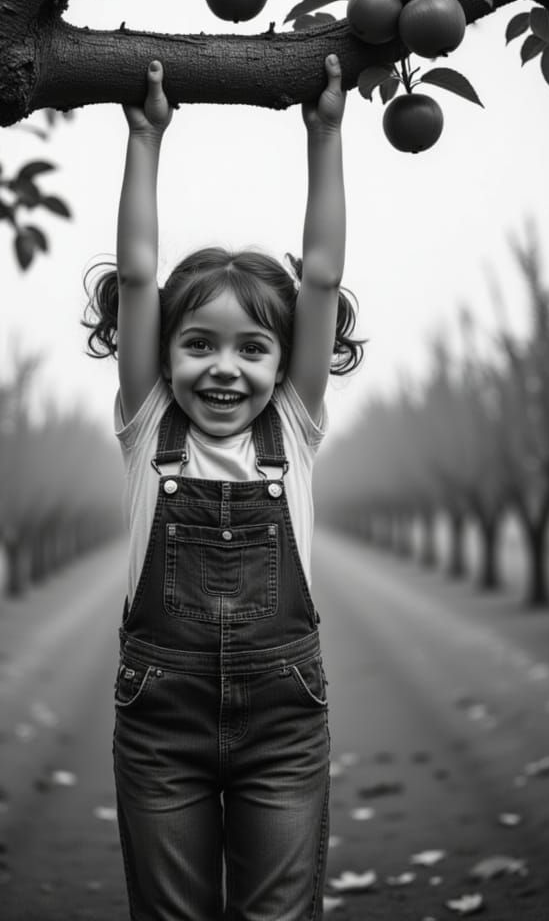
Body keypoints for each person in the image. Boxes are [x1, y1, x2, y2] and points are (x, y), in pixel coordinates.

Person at [83, 55, 363, 921]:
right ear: (164, 354)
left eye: (252, 349)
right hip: (161, 725)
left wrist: (326, 136)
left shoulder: (297, 428)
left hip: (284, 722)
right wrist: (146, 139)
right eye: (198, 342)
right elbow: (136, 275)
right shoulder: (146, 424)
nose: (224, 367)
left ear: (284, 366)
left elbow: (318, 275)